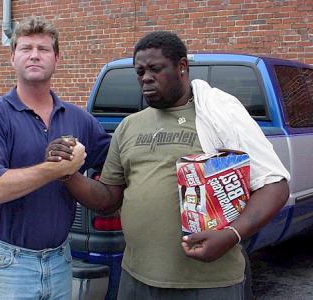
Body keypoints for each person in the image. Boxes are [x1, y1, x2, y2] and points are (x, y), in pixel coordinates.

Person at [49, 31, 290, 299]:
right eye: (139, 72)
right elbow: (107, 198)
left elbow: (275, 186)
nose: (146, 78)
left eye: (155, 69)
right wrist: (68, 173)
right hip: (136, 278)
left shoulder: (218, 115)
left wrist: (232, 235)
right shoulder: (129, 126)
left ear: (182, 67)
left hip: (208, 283)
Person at [0, 16, 110, 300]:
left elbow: (116, 159)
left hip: (60, 261)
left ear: (56, 58)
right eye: (26, 48)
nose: (34, 55)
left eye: (44, 49)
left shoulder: (79, 119)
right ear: (13, 58)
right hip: (8, 265)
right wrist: (59, 169)